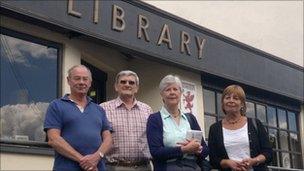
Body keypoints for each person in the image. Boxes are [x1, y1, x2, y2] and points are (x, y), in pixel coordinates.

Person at [44, 65, 112, 171]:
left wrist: (97, 156)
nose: (81, 82)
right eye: (77, 78)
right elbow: (54, 139)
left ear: (90, 83)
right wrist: (85, 161)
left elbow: (108, 139)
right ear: (68, 80)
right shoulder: (56, 106)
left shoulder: (99, 109)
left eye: (85, 79)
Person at [147, 75, 209, 171]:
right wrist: (183, 150)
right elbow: (155, 152)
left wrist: (198, 149)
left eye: (175, 89)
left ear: (180, 93)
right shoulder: (155, 119)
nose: (172, 92)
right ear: (162, 94)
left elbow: (205, 149)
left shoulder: (190, 118)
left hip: (192, 167)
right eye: (167, 90)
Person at [208, 85, 272, 171]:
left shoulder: (255, 124)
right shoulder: (214, 129)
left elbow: (268, 153)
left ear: (242, 104)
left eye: (235, 98)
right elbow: (213, 159)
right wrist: (227, 163)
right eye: (227, 98)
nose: (231, 101)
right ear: (223, 103)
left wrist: (254, 160)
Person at [100, 70, 153, 171]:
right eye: (123, 82)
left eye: (131, 82)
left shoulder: (147, 110)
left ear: (136, 88)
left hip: (143, 167)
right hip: (114, 167)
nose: (127, 85)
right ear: (116, 86)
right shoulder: (103, 108)